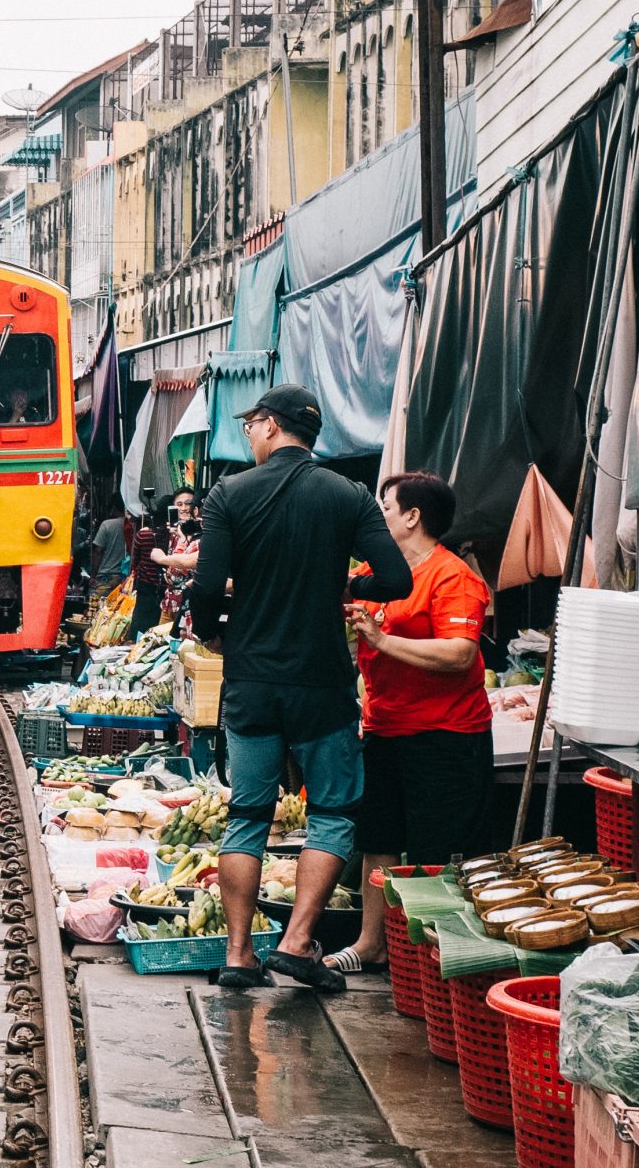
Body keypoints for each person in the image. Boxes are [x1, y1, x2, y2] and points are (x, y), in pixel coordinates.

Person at [189, 384, 411, 992]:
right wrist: (343, 589)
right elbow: (395, 578)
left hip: (252, 682)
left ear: (268, 426)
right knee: (333, 814)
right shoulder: (349, 495)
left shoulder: (228, 494)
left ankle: (238, 957)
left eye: (250, 425)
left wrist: (216, 637)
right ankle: (296, 941)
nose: (247, 435)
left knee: (247, 815)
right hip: (321, 684)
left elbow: (207, 587)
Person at [335, 470, 495, 974]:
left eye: (386, 507)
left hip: (446, 735)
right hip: (383, 726)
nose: (379, 515)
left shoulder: (454, 578)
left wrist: (382, 642)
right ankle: (370, 945)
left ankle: (433, 961)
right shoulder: (373, 572)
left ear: (412, 516)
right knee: (376, 841)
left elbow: (458, 653)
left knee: (435, 849)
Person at [151, 486, 201, 625]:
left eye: (188, 503)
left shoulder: (199, 535)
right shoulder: (173, 533)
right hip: (169, 601)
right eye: (179, 504)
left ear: (195, 508)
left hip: (186, 605)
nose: (184, 508)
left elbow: (176, 571)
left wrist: (182, 540)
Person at [128, 500, 164, 635]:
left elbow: (135, 561)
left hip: (145, 585)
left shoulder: (143, 535)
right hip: (165, 587)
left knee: (141, 625)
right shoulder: (172, 536)